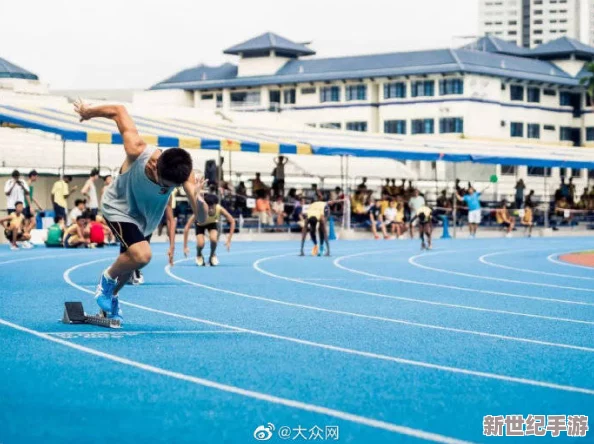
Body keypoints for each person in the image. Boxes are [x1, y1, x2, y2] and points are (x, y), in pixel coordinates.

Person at [74, 100, 206, 323]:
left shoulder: (184, 176)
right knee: (142, 255)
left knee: (130, 262)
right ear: (156, 165)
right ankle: (105, 280)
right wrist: (88, 112)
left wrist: (197, 197)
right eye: (166, 185)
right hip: (118, 207)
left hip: (145, 219)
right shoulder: (137, 150)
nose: (167, 188)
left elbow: (202, 218)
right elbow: (118, 111)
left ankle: (111, 298)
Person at [183, 194, 235, 266]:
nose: (210, 209)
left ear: (215, 205)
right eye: (208, 206)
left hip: (212, 223)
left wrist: (229, 240)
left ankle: (212, 255)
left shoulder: (219, 209)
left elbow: (232, 221)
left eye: (212, 206)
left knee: (214, 239)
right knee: (201, 244)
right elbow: (187, 227)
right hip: (200, 224)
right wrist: (185, 246)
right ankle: (199, 255)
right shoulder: (199, 210)